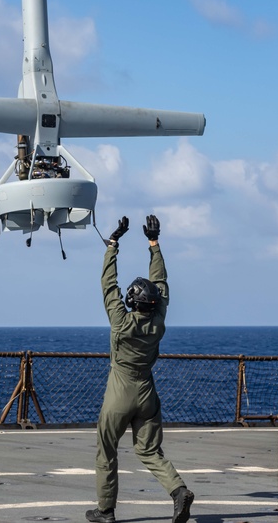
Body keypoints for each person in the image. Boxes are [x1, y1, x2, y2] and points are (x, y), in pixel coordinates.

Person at [86, 215, 194, 523]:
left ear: (132, 303)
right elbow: (161, 284)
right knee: (149, 451)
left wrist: (112, 245)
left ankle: (105, 510)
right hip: (147, 392)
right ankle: (178, 491)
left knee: (107, 450)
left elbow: (108, 284)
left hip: (119, 392)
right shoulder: (158, 322)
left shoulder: (121, 322)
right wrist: (154, 242)